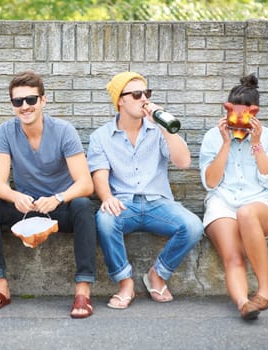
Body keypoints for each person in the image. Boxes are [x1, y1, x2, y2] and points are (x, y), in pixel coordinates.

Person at [0, 71, 97, 319]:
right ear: (12, 105)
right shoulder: (6, 132)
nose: (25, 106)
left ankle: (83, 290)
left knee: (84, 206)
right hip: (26, 207)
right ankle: (1, 288)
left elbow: (86, 183)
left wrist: (59, 197)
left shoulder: (64, 131)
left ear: (43, 100)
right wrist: (14, 196)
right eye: (18, 101)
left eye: (31, 99)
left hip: (58, 207)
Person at [86, 71, 204, 309]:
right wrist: (107, 197)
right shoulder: (100, 136)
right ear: (121, 100)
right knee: (105, 220)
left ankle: (157, 275)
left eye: (147, 94)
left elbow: (183, 162)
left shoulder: (156, 130)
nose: (144, 100)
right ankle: (125, 282)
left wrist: (163, 126)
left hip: (157, 203)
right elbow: (99, 172)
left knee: (193, 226)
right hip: (123, 203)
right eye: (137, 94)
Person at [199, 73, 268, 320]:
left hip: (258, 204)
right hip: (222, 203)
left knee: (246, 212)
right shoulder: (213, 137)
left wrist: (256, 143)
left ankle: (265, 292)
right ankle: (244, 303)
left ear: (254, 113)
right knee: (233, 255)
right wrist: (226, 143)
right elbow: (210, 182)